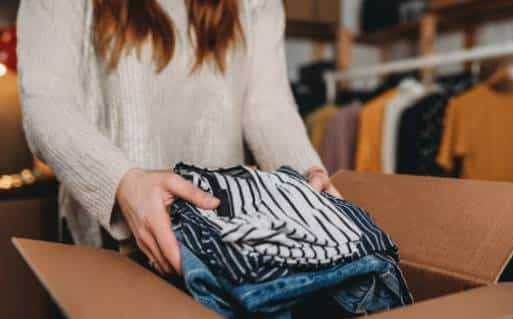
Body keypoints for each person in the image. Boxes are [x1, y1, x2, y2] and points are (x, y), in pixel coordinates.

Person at [17, 0, 339, 276]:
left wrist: (306, 178)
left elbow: (267, 109)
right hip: (107, 246)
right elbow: (46, 102)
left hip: (223, 241)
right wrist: (123, 183)